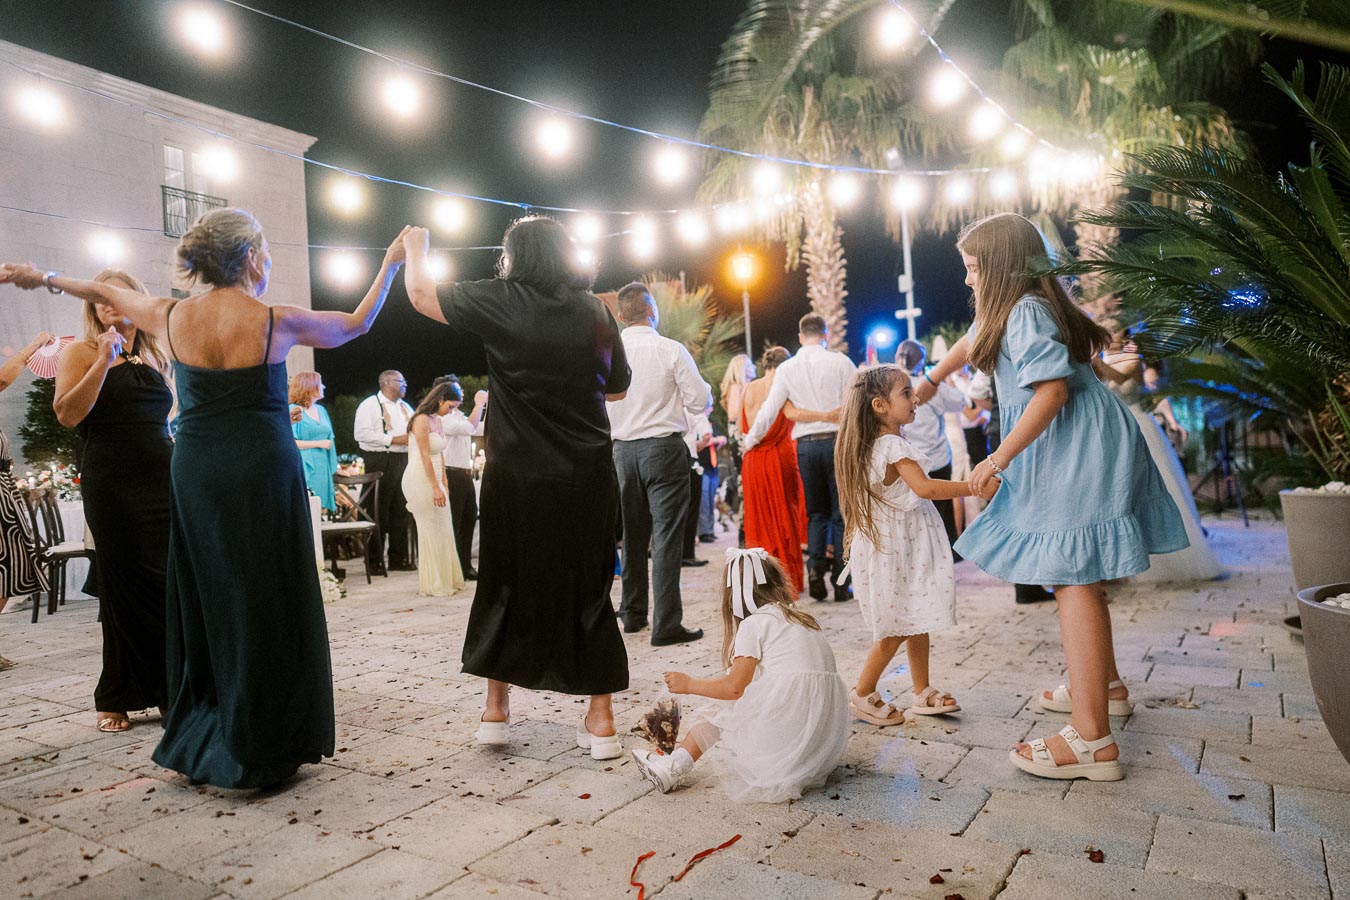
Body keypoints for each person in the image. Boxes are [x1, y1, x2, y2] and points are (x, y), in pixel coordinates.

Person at [2, 211, 412, 788]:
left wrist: (40, 276)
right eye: (265, 253)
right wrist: (391, 263)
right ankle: (268, 733)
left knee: (208, 591)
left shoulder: (170, 315)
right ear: (248, 258)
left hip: (196, 471)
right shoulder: (277, 320)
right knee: (268, 589)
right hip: (263, 469)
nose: (268, 262)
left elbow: (101, 290)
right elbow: (358, 323)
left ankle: (207, 727)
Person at [916, 213, 1188, 782]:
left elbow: (1052, 391)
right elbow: (974, 339)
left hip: (1073, 442)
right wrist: (933, 378)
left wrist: (995, 459)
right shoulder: (1030, 306)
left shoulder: (1024, 312)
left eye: (972, 268)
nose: (967, 281)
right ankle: (1105, 688)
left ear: (998, 267)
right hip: (1083, 438)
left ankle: (1091, 740)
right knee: (1077, 571)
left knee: (1072, 576)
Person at [403, 216, 632, 760]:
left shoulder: (498, 299)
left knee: (507, 581)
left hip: (518, 475)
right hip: (586, 475)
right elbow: (618, 389)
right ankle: (600, 722)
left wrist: (416, 245)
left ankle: (496, 711)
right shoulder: (597, 311)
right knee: (589, 587)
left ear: (513, 256)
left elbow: (419, 293)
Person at [54, 270, 172, 733]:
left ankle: (169, 688)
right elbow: (67, 414)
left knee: (167, 581)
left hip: (162, 476)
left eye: (115, 292)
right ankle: (116, 695)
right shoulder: (80, 351)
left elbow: (169, 417)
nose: (107, 302)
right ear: (92, 306)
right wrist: (103, 360)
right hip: (112, 480)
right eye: (97, 296)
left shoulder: (156, 355)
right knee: (123, 582)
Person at [631, 548, 849, 800]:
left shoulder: (754, 624)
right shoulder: (803, 618)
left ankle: (675, 765)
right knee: (752, 686)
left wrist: (689, 684)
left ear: (732, 595)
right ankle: (675, 759)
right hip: (817, 747)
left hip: (784, 743)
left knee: (725, 702)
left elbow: (734, 688)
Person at [836, 365, 977, 725]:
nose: (916, 399)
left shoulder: (874, 444)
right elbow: (926, 488)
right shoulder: (892, 445)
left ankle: (922, 690)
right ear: (880, 405)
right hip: (898, 549)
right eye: (907, 393)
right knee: (896, 626)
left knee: (915, 617)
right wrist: (972, 486)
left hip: (895, 548)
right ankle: (863, 692)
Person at [606, 281, 711, 645]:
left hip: (621, 451)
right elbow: (698, 401)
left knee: (631, 535)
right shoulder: (670, 349)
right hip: (663, 449)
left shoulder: (609, 351)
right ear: (653, 311)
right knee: (666, 536)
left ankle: (632, 614)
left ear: (620, 315)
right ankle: (666, 623)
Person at [744, 314, 856, 602]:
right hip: (837, 443)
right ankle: (842, 580)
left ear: (800, 334)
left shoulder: (788, 369)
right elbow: (857, 401)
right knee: (840, 513)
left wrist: (750, 440)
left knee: (815, 513)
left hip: (806, 447)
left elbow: (770, 410)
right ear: (825, 333)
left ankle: (816, 568)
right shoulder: (841, 362)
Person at [1095, 342, 1221, 582]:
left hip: (1138, 425)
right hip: (1113, 428)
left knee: (1154, 486)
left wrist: (1096, 363)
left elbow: (1121, 380)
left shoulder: (1132, 357)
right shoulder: (1100, 358)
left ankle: (1171, 555)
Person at [0, 332, 56, 670]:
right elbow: (4, 378)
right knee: (7, 566)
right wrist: (32, 348)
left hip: (3, 489)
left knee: (10, 567)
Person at [738, 346, 808, 594]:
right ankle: (788, 580)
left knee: (757, 519)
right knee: (785, 516)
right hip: (780, 457)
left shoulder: (748, 388)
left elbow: (739, 423)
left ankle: (762, 582)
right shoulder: (785, 388)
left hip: (753, 460)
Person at [896, 340, 966, 551]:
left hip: (906, 460)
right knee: (941, 510)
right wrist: (943, 379)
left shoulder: (894, 387)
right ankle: (946, 552)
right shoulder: (933, 387)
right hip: (936, 457)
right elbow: (961, 402)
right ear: (921, 361)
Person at [402, 380, 466, 597]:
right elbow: (424, 455)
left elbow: (440, 454)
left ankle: (449, 578)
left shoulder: (437, 420)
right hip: (421, 477)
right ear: (440, 400)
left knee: (444, 526)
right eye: (450, 406)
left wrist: (444, 482)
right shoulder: (420, 420)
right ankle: (434, 582)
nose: (451, 412)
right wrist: (434, 486)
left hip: (437, 475)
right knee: (430, 527)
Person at [354, 370, 416, 572]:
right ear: (387, 382)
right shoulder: (370, 404)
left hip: (404, 459)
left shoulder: (405, 407)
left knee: (401, 509)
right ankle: (373, 560)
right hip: (381, 459)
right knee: (377, 510)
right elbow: (361, 434)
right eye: (402, 381)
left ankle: (398, 558)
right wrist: (392, 439)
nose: (406, 384)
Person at [437, 379, 487, 580]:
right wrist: (479, 404)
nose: (462, 395)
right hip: (451, 473)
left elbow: (477, 428)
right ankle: (453, 567)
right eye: (458, 392)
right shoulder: (443, 417)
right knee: (455, 521)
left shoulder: (457, 415)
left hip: (464, 473)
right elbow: (468, 428)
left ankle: (465, 564)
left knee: (469, 518)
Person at [288, 372, 338, 513]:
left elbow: (330, 439)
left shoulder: (321, 410)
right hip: (305, 464)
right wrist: (318, 443)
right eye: (320, 383)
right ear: (309, 386)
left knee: (321, 509)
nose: (323, 386)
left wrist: (335, 467)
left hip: (323, 466)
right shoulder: (293, 410)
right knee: (308, 508)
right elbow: (290, 442)